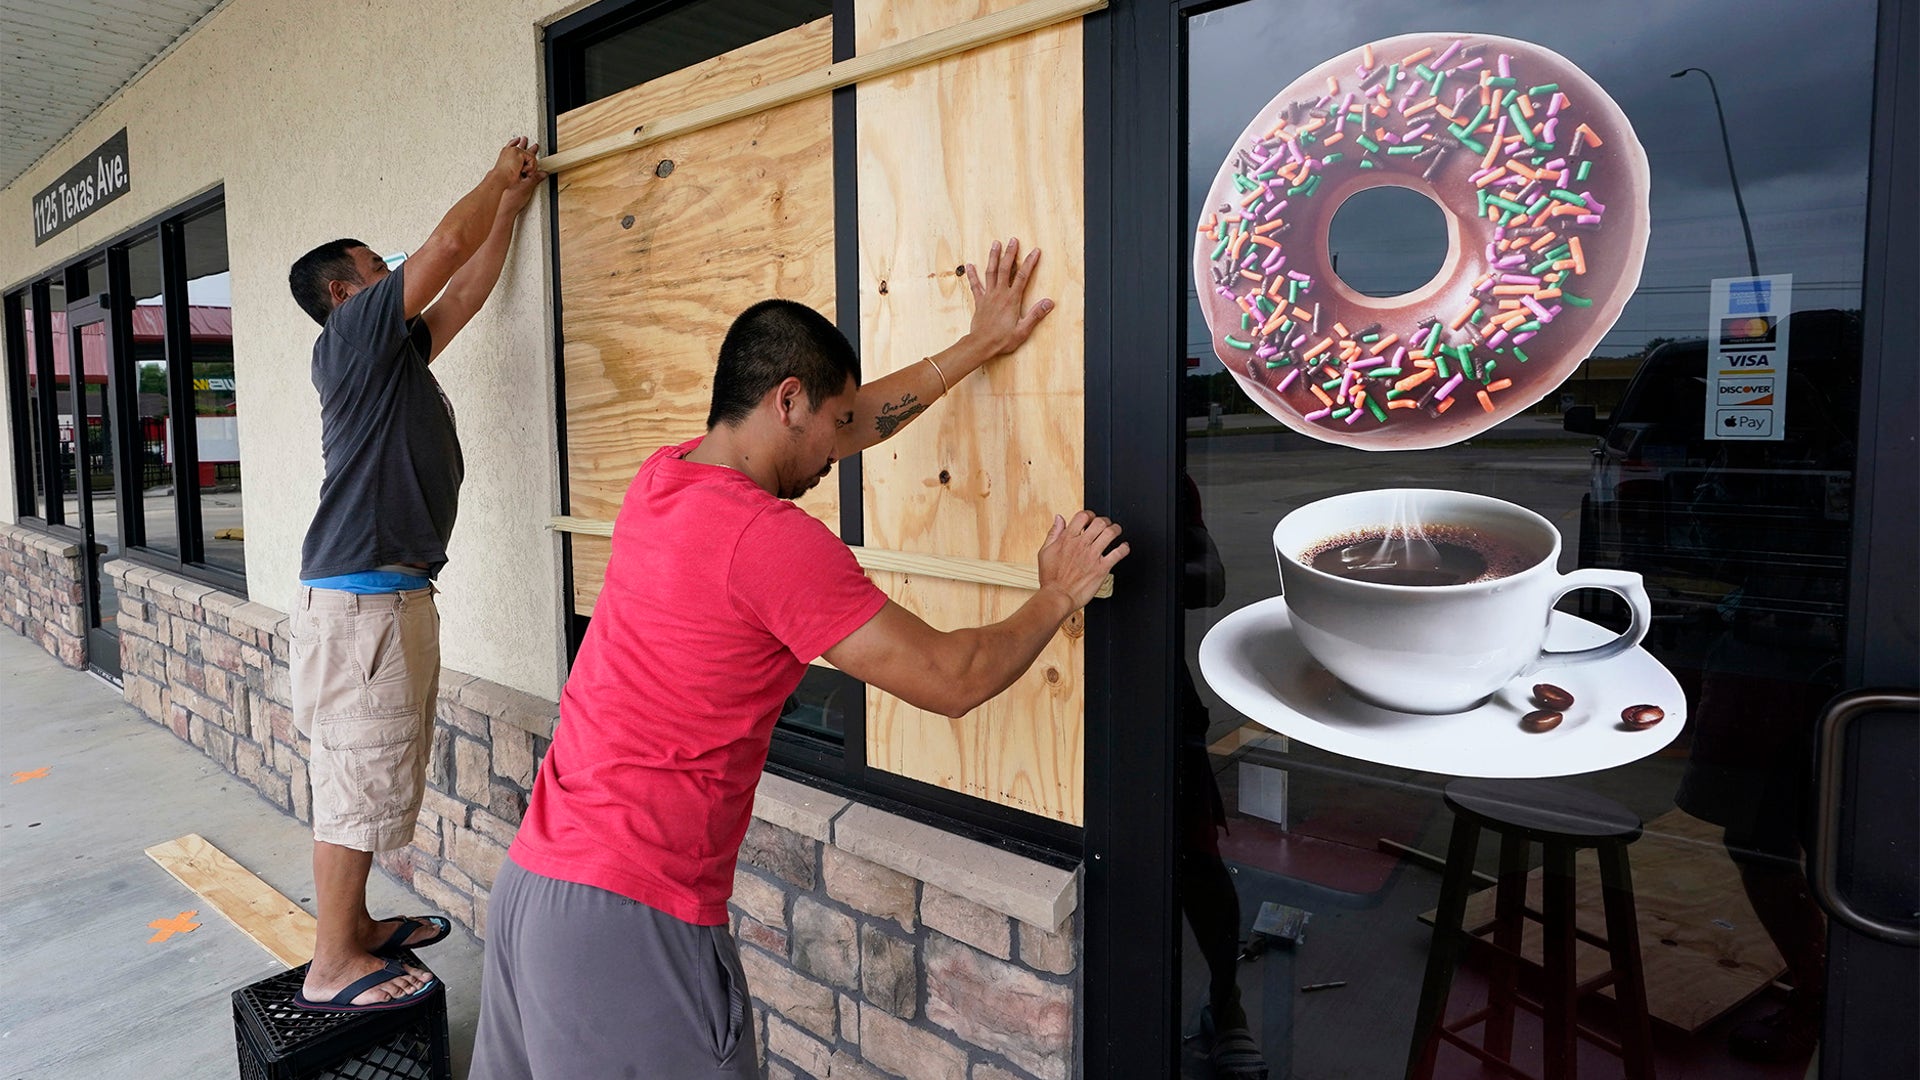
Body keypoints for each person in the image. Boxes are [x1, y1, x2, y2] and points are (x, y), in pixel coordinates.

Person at [471, 239, 1127, 1077]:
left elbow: (854, 418)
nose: (837, 453)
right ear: (788, 401)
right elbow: (952, 679)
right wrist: (1057, 593)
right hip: (629, 926)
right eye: (830, 425)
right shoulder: (773, 543)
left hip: (536, 885)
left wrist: (977, 344)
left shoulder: (662, 480)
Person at [283, 137, 547, 1012]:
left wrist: (507, 213)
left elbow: (464, 289)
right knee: (356, 781)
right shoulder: (353, 337)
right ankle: (333, 965)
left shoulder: (391, 357)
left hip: (379, 600)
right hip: (364, 606)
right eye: (375, 266)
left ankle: (353, 932)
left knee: (364, 771)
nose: (393, 269)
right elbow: (441, 253)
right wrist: (491, 180)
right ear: (344, 293)